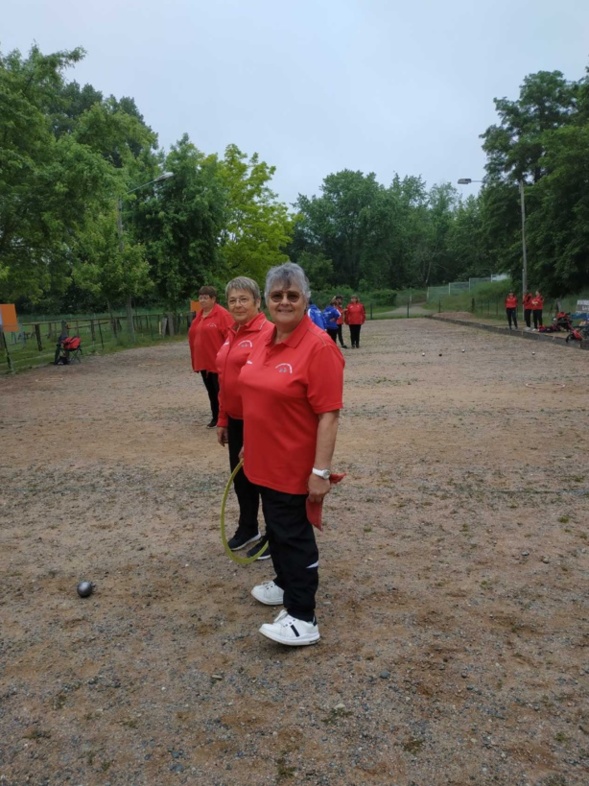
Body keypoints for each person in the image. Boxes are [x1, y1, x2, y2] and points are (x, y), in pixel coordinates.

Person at [240, 262, 344, 646]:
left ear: (305, 299)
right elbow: (260, 399)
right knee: (278, 530)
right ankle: (284, 584)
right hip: (262, 461)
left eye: (292, 295)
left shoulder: (319, 347)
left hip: (292, 465)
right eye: (277, 295)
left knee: (293, 535)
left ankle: (303, 616)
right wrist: (250, 442)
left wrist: (320, 471)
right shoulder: (266, 340)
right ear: (266, 301)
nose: (284, 302)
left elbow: (328, 415)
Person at [216, 277, 274, 558]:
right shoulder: (232, 333)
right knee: (241, 479)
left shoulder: (267, 333)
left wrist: (256, 434)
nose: (237, 305)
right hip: (237, 419)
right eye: (232, 300)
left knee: (265, 480)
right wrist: (223, 420)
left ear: (257, 302)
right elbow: (225, 379)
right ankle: (248, 526)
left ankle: (275, 536)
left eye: (243, 299)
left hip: (261, 421)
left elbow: (268, 387)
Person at [188, 286, 233, 427]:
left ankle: (226, 418)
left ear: (213, 299)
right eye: (200, 297)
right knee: (211, 392)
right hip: (204, 362)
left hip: (218, 362)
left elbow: (231, 337)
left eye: (205, 297)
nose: (202, 300)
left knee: (221, 391)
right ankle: (215, 416)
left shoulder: (222, 315)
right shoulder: (199, 316)